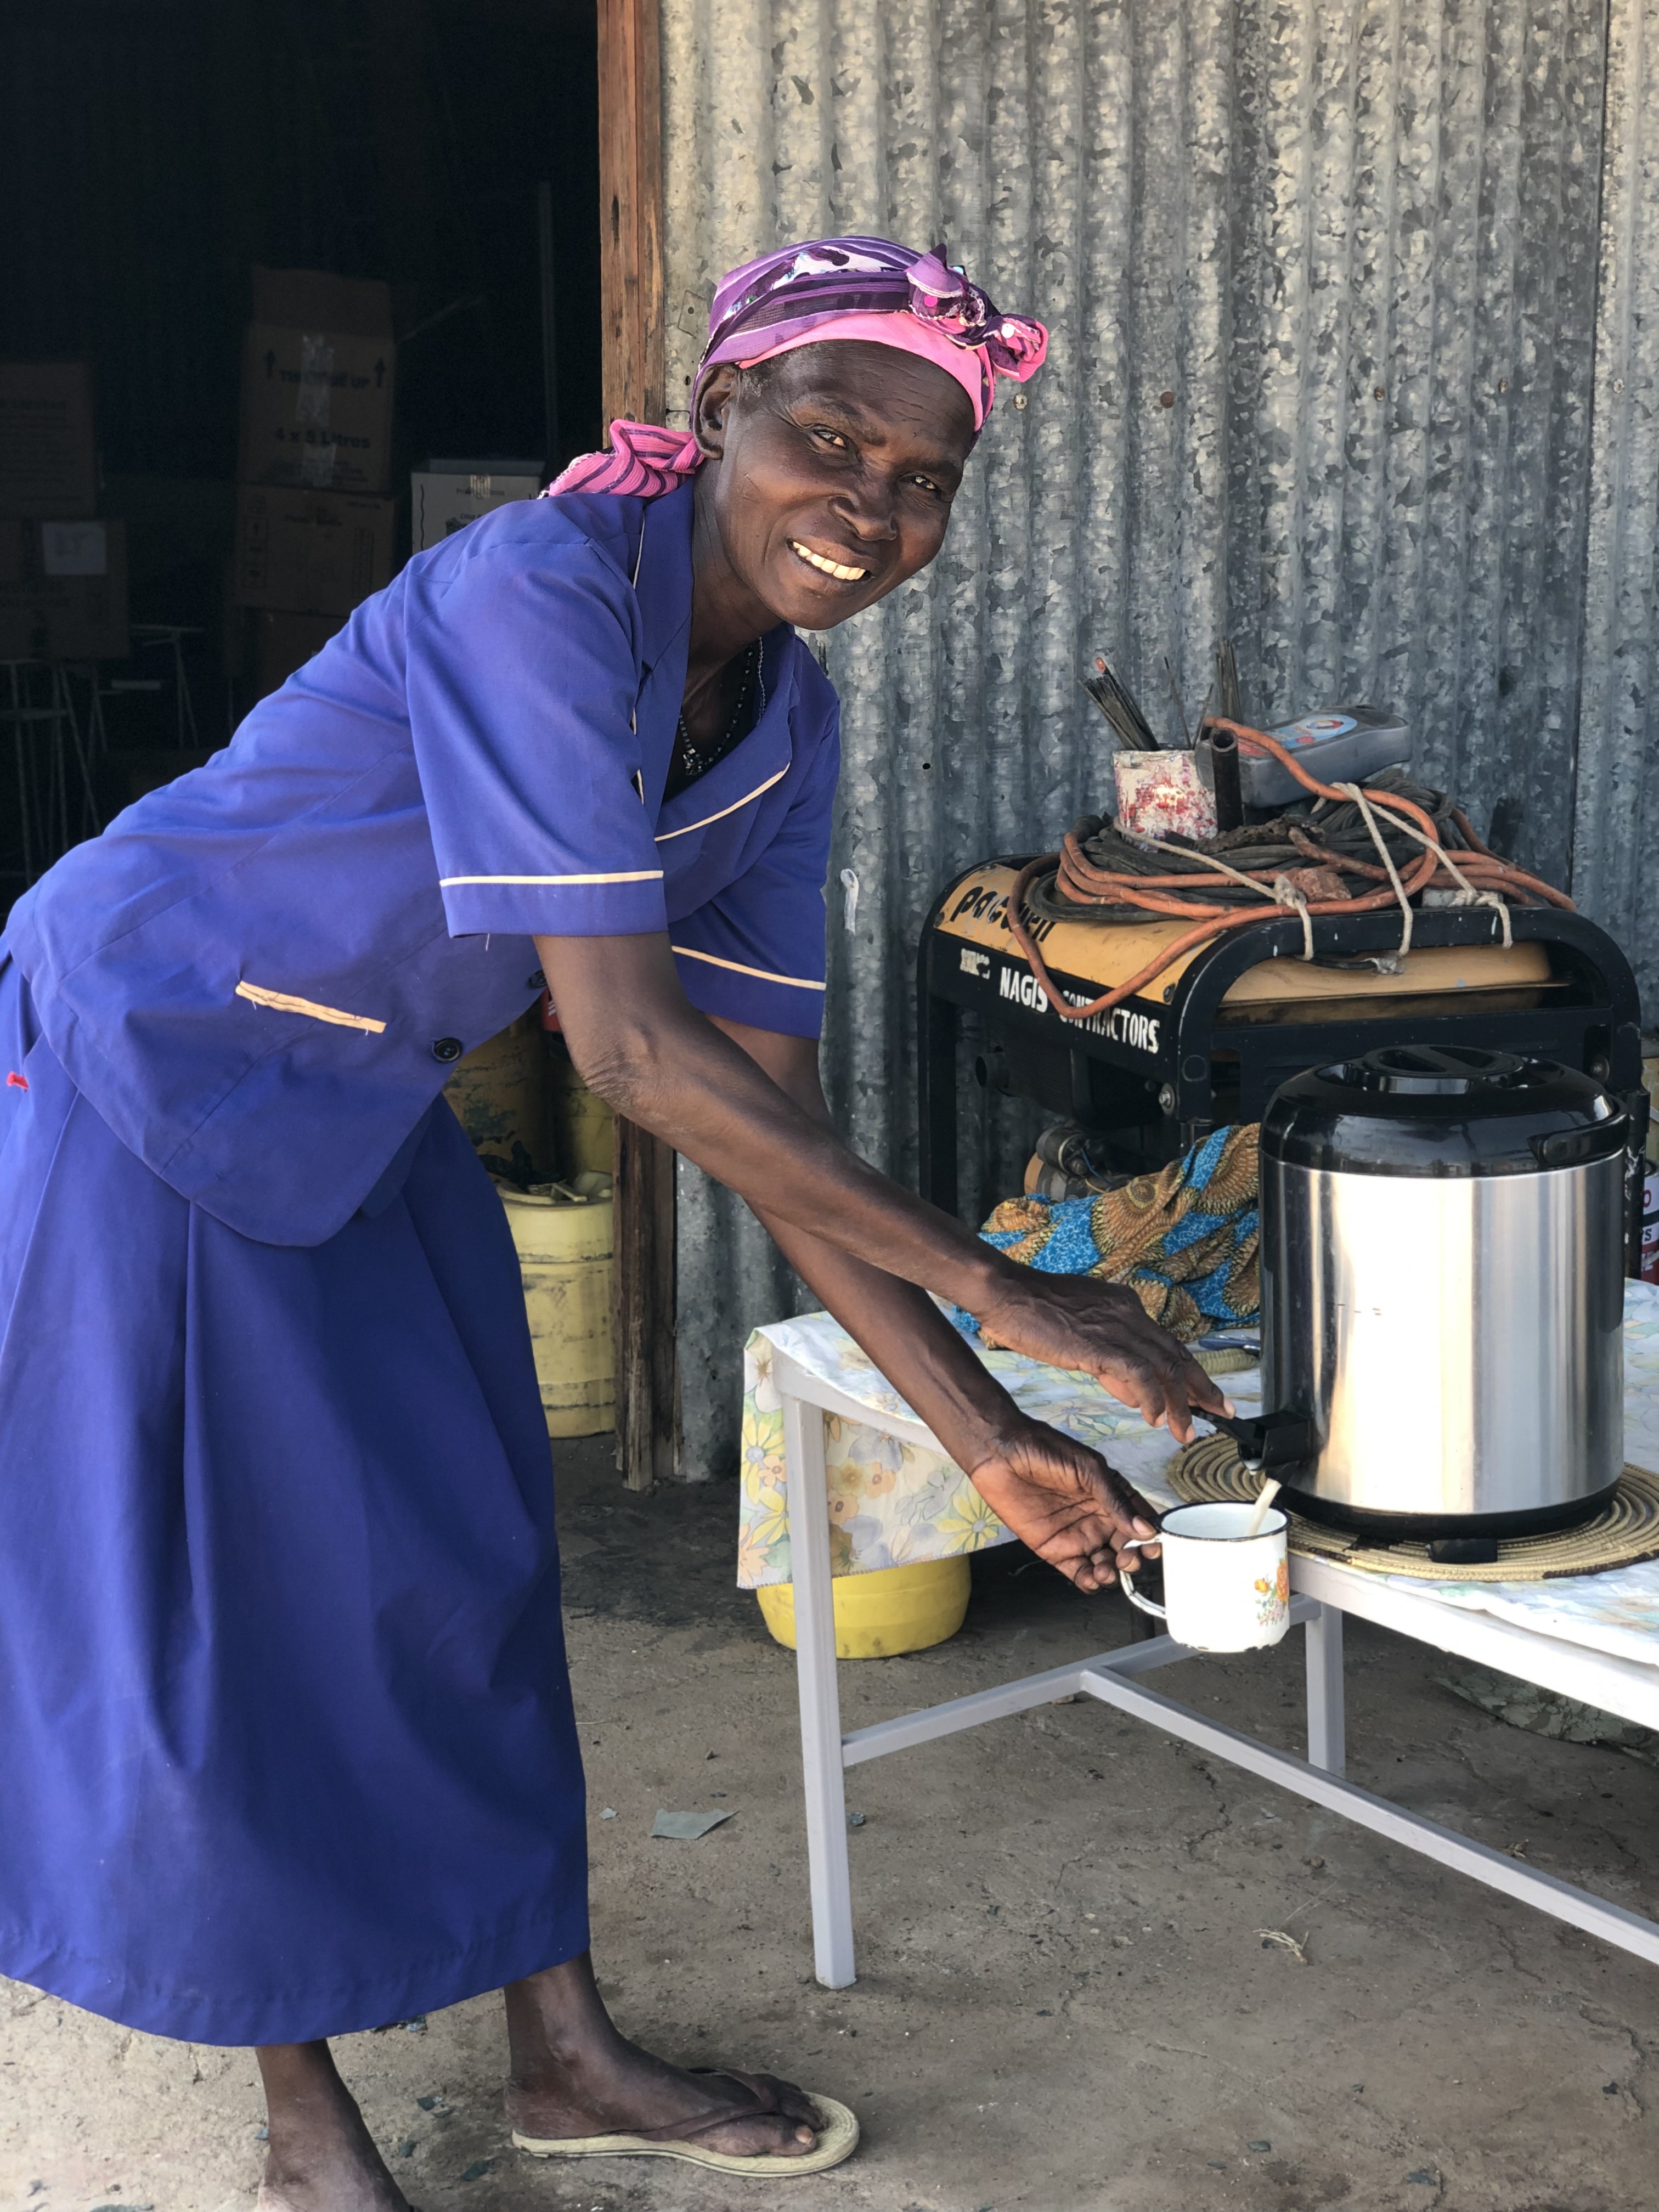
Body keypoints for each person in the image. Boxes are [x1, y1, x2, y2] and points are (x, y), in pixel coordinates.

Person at [0, 237, 1224, 2199]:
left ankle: (560, 2052)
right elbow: (636, 1058)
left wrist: (995, 1436)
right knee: (229, 1601)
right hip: (153, 1053)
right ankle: (302, 2116)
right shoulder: (539, 592)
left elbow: (768, 1115)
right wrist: (1012, 1287)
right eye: (829, 440)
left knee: (472, 1554)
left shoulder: (783, 726)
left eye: (925, 481)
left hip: (365, 1092)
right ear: (715, 411)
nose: (872, 509)